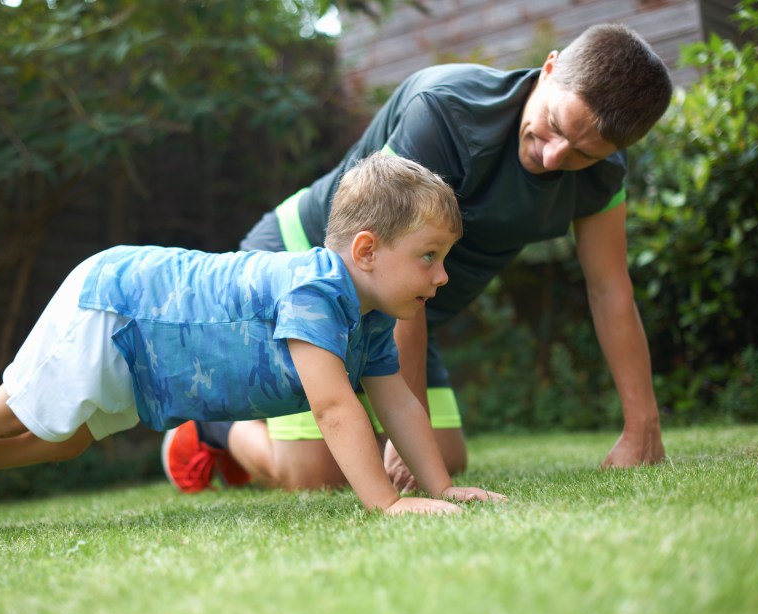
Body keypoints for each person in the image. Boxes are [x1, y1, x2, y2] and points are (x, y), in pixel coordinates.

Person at [0, 153, 507, 541]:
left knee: (65, 438)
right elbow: (336, 410)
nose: (442, 277)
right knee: (12, 408)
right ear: (366, 251)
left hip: (147, 357)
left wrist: (443, 486)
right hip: (120, 306)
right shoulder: (314, 290)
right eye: (428, 257)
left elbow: (399, 402)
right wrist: (387, 505)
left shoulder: (370, 317)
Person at [161, 22, 673, 495]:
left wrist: (642, 426)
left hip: (396, 302)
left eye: (584, 153)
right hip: (308, 263)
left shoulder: (602, 176)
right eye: (555, 125)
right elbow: (388, 256)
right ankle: (210, 428)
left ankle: (259, 434)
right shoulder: (446, 110)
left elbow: (610, 288)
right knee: (320, 474)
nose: (556, 157)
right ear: (550, 67)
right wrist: (406, 435)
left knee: (443, 458)